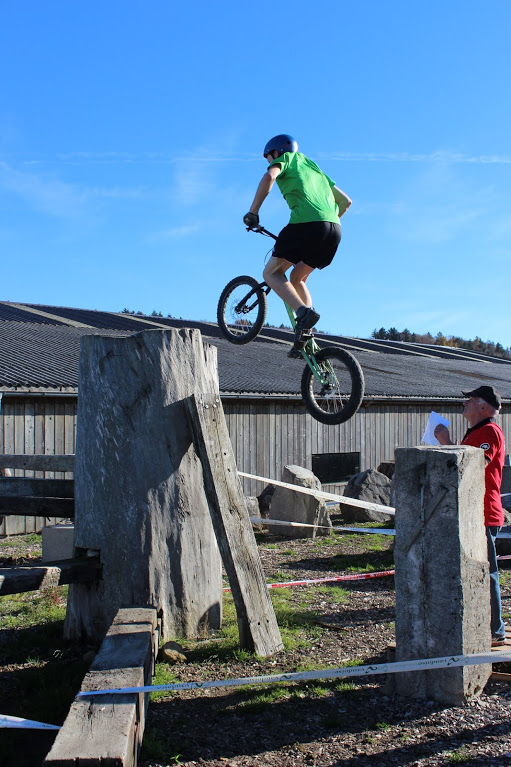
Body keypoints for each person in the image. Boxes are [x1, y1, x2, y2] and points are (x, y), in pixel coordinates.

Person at [243, 134, 351, 357]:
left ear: (276, 153)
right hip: (334, 230)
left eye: (269, 158)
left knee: (271, 273)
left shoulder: (286, 160)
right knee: (297, 278)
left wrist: (253, 212)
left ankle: (302, 313)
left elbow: (269, 178)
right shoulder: (313, 167)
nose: (269, 162)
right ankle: (305, 331)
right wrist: (324, 223)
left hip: (306, 224)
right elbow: (346, 202)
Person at [434, 385, 507, 647]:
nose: (464, 403)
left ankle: (495, 630)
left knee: (487, 572)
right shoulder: (477, 432)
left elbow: (474, 466)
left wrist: (446, 444)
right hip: (473, 511)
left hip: (483, 513)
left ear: (484, 406)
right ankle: (484, 627)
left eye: (471, 399)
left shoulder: (489, 431)